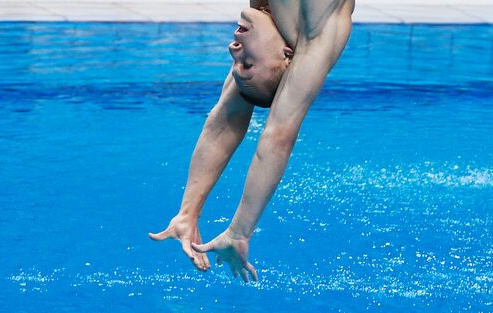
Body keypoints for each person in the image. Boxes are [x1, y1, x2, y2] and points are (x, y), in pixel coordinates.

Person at [149, 0, 355, 283]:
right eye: (247, 63)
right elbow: (278, 134)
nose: (233, 50)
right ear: (287, 56)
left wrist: (188, 213)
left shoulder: (268, 27)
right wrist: (240, 231)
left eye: (239, 63)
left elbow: (224, 120)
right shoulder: (317, 31)